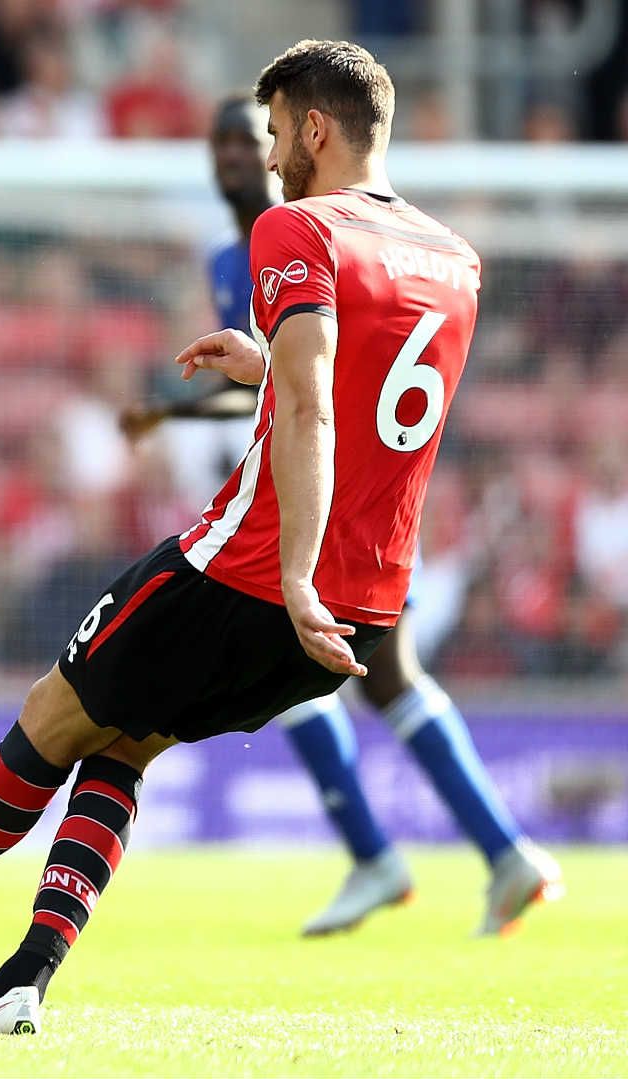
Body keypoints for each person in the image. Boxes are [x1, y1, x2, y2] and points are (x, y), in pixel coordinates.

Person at [0, 40, 550, 1036]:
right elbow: (373, 396)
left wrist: (290, 570)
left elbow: (319, 409)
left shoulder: (295, 227)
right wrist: (266, 361)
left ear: (315, 126)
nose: (273, 155)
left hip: (247, 570)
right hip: (365, 602)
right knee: (126, 744)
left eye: (277, 130)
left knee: (53, 718)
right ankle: (19, 979)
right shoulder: (453, 257)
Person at [123, 96, 563, 938]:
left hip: (334, 507)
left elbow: (317, 388)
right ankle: (482, 852)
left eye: (248, 141)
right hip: (319, 498)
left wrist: (186, 416)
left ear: (293, 142)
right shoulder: (238, 256)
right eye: (215, 144)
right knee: (370, 679)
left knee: (312, 669)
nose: (230, 159)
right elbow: (285, 382)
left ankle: (395, 854)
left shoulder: (316, 235)